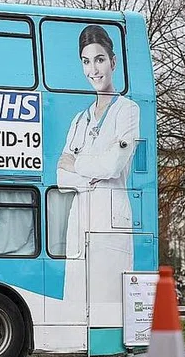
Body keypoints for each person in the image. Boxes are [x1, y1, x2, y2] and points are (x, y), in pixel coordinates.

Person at [57, 25, 140, 305]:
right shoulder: (79, 120)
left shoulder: (127, 110)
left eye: (100, 59)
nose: (94, 69)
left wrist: (76, 163)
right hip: (80, 227)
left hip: (111, 225)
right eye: (86, 61)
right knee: (77, 306)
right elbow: (60, 176)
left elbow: (113, 166)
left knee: (108, 305)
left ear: (113, 62)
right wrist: (89, 176)